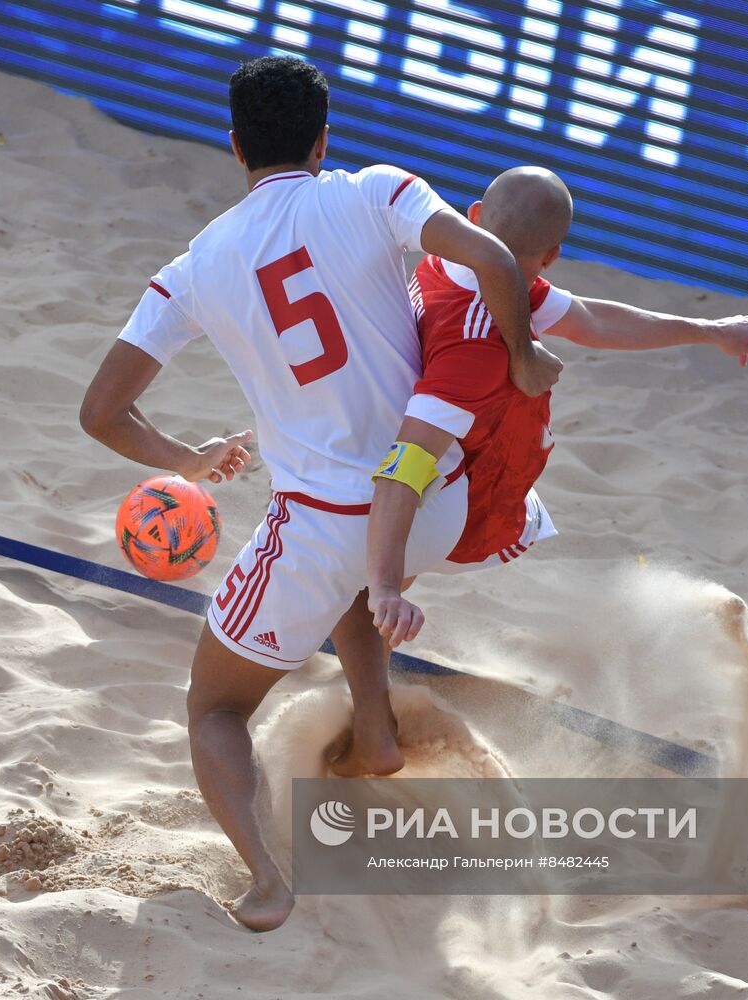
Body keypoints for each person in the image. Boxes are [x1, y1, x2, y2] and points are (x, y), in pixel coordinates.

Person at [80, 58, 562, 931]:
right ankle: (374, 730)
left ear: (233, 148)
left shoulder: (193, 267)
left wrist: (186, 460)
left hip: (328, 526)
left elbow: (102, 414)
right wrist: (524, 356)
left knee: (214, 708)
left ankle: (267, 881)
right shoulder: (374, 189)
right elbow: (493, 253)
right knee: (354, 580)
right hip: (431, 501)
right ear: (322, 139)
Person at [366, 165, 748, 647]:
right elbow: (406, 466)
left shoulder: (449, 260)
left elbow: (593, 321)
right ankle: (368, 639)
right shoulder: (477, 346)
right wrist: (387, 590)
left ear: (475, 217)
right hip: (451, 494)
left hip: (408, 440)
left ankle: (366, 627)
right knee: (389, 578)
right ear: (551, 256)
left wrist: (714, 331)